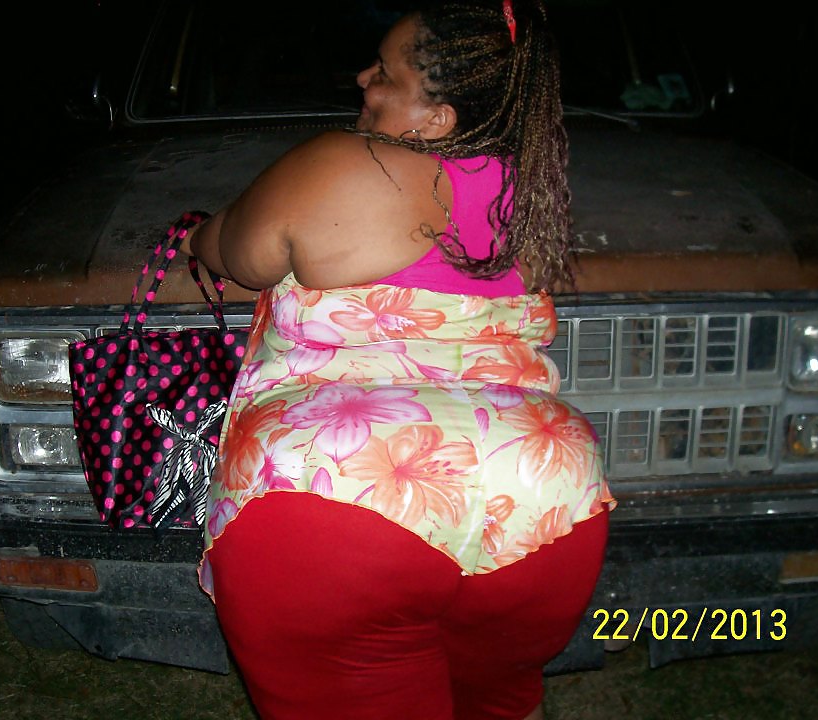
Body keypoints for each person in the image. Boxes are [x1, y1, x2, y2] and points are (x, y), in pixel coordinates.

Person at [187, 2, 615, 718]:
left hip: (338, 490)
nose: (363, 79)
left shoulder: (339, 167)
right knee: (495, 704)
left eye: (385, 74)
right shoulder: (536, 193)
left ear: (437, 119)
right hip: (546, 489)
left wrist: (196, 233)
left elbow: (233, 252)